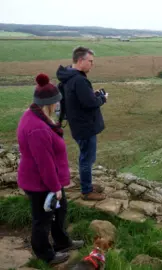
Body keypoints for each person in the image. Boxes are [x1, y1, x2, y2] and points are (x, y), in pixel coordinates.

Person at [16, 73, 84, 264]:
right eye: (57, 102)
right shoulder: (37, 128)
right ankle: (45, 255)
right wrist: (55, 187)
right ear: (50, 103)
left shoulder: (35, 115)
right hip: (40, 182)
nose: (58, 106)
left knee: (59, 211)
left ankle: (62, 242)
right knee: (42, 220)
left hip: (46, 180)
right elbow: (44, 163)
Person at [56, 46, 108, 201]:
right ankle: (87, 191)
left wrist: (91, 95)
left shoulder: (69, 76)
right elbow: (90, 103)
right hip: (85, 126)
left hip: (77, 124)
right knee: (87, 158)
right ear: (80, 60)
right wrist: (102, 98)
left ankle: (88, 184)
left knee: (85, 156)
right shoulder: (79, 80)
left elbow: (79, 100)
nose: (92, 64)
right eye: (90, 61)